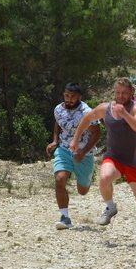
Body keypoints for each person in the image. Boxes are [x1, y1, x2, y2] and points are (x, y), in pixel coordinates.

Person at [70, 78, 136, 243]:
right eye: (118, 92)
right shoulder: (105, 108)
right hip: (114, 157)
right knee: (104, 178)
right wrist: (76, 138)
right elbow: (87, 119)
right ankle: (110, 206)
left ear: (131, 93)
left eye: (124, 93)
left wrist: (125, 114)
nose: (120, 96)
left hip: (134, 161)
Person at [46, 83, 101, 230]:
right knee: (60, 179)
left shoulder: (86, 113)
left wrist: (83, 152)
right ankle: (65, 218)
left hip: (84, 154)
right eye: (66, 96)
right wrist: (55, 141)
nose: (69, 99)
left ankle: (86, 179)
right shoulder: (58, 109)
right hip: (64, 149)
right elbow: (58, 124)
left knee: (83, 191)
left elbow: (97, 133)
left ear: (79, 97)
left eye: (72, 97)